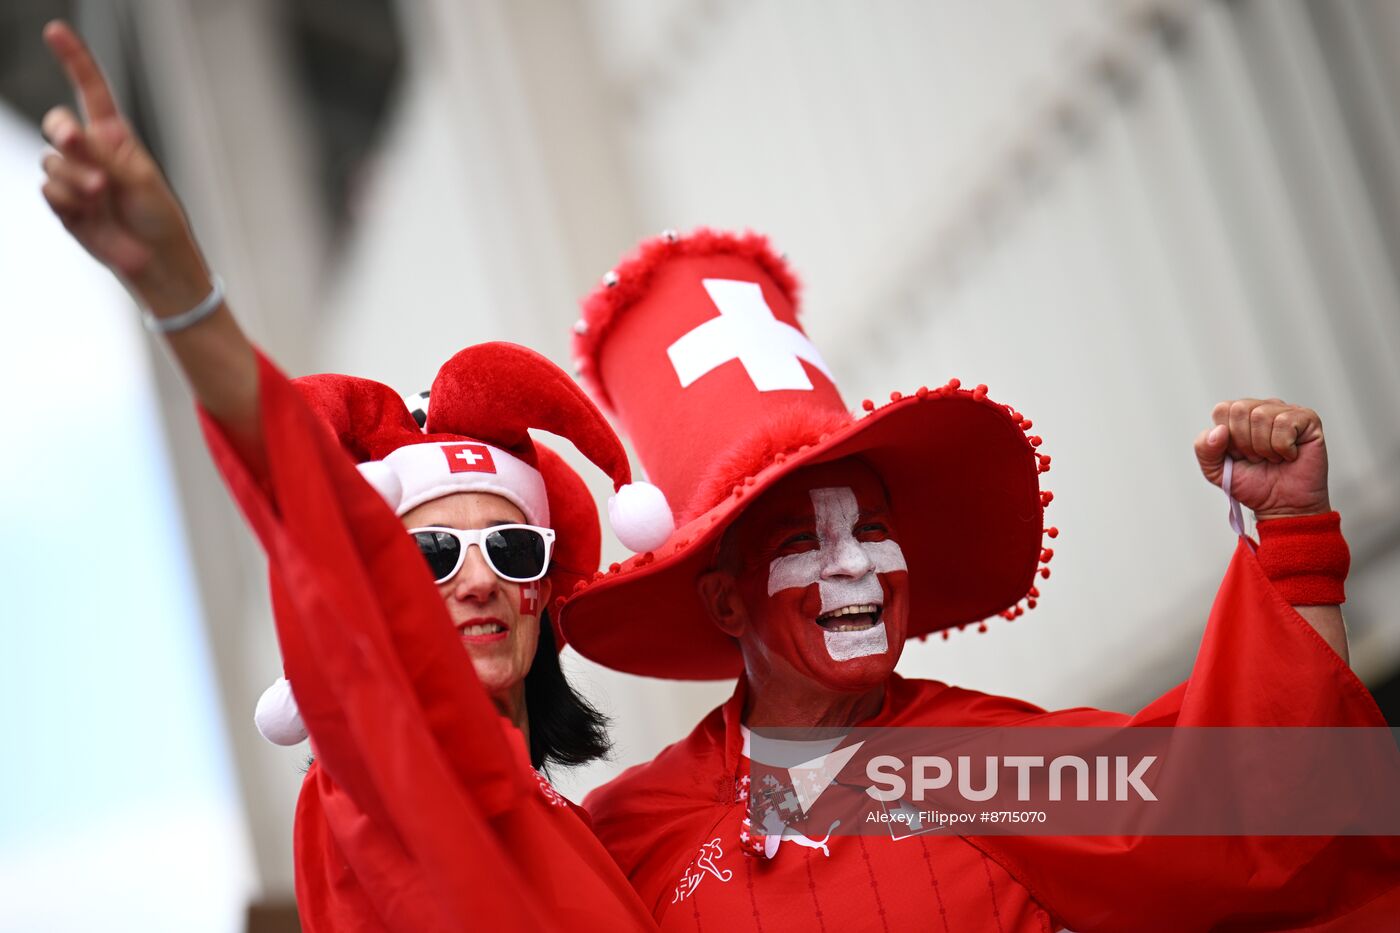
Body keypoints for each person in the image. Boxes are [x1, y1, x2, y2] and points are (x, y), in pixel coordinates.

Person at [556, 229, 1400, 930]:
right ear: (724, 599)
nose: (854, 563)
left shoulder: (987, 768)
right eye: (804, 539)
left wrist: (1293, 530)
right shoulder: (629, 834)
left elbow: (1279, 810)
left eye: (874, 529)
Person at [36, 20, 662, 932]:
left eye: (514, 547)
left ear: (546, 591)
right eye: (434, 551)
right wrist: (178, 292)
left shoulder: (614, 831)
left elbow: (905, 798)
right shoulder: (401, 770)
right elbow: (299, 486)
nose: (481, 576)